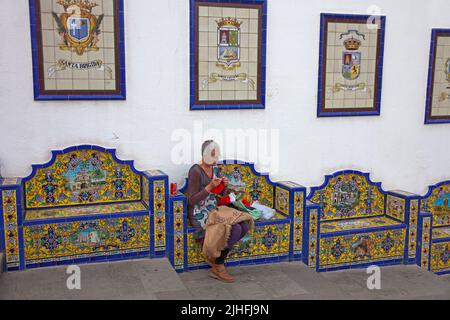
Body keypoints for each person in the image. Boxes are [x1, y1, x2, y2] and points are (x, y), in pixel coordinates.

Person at [187, 140, 250, 283]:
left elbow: (220, 194)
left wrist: (224, 186)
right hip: (200, 213)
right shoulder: (195, 171)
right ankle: (218, 266)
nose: (215, 159)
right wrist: (209, 187)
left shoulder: (215, 169)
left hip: (214, 209)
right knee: (233, 229)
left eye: (216, 155)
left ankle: (216, 260)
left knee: (244, 226)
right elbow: (191, 200)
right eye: (213, 155)